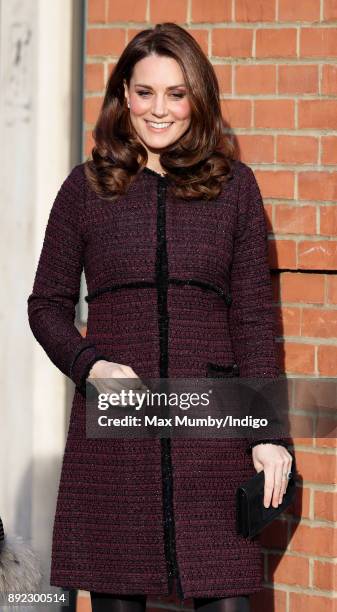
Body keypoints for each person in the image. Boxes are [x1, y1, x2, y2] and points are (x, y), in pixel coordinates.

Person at [27, 22, 294, 612]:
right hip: (115, 442)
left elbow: (253, 317)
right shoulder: (86, 189)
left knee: (228, 599)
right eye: (145, 92)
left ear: (196, 98)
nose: (160, 109)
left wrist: (268, 434)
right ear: (124, 95)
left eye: (176, 93)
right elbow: (45, 305)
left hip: (214, 441)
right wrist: (90, 365)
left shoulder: (235, 190)